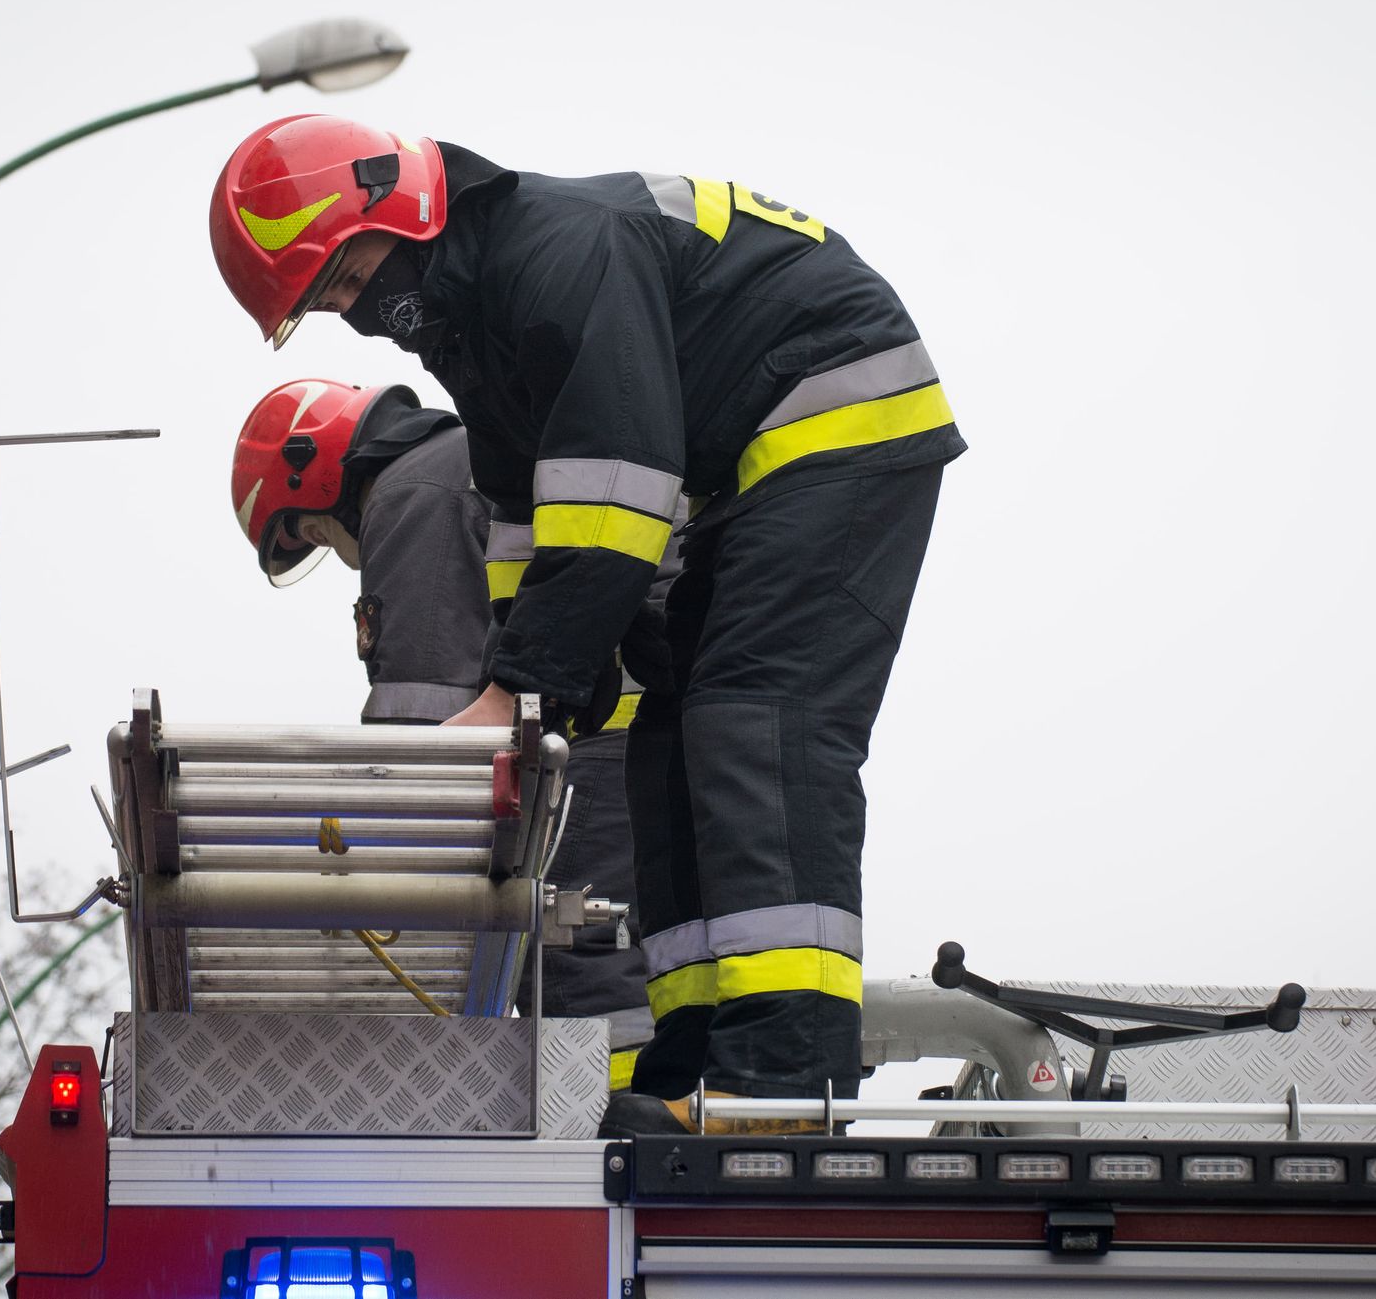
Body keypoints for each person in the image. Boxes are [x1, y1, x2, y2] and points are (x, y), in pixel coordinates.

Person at [210, 117, 965, 1132]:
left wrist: (509, 692)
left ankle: (785, 1077)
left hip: (834, 423)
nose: (357, 316)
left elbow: (619, 489)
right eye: (330, 302)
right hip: (749, 471)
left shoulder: (555, 252)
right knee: (667, 739)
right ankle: (695, 1053)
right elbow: (524, 517)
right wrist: (531, 696)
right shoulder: (475, 328)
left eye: (348, 276)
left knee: (755, 725)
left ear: (395, 205)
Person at [229, 377, 654, 1085]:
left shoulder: (410, 494)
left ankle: (616, 1141)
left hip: (592, 752)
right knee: (641, 959)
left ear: (321, 466)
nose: (327, 548)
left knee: (579, 974)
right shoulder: (463, 461)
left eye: (303, 527)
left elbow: (421, 739)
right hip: (637, 734)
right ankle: (673, 1118)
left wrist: (347, 859)